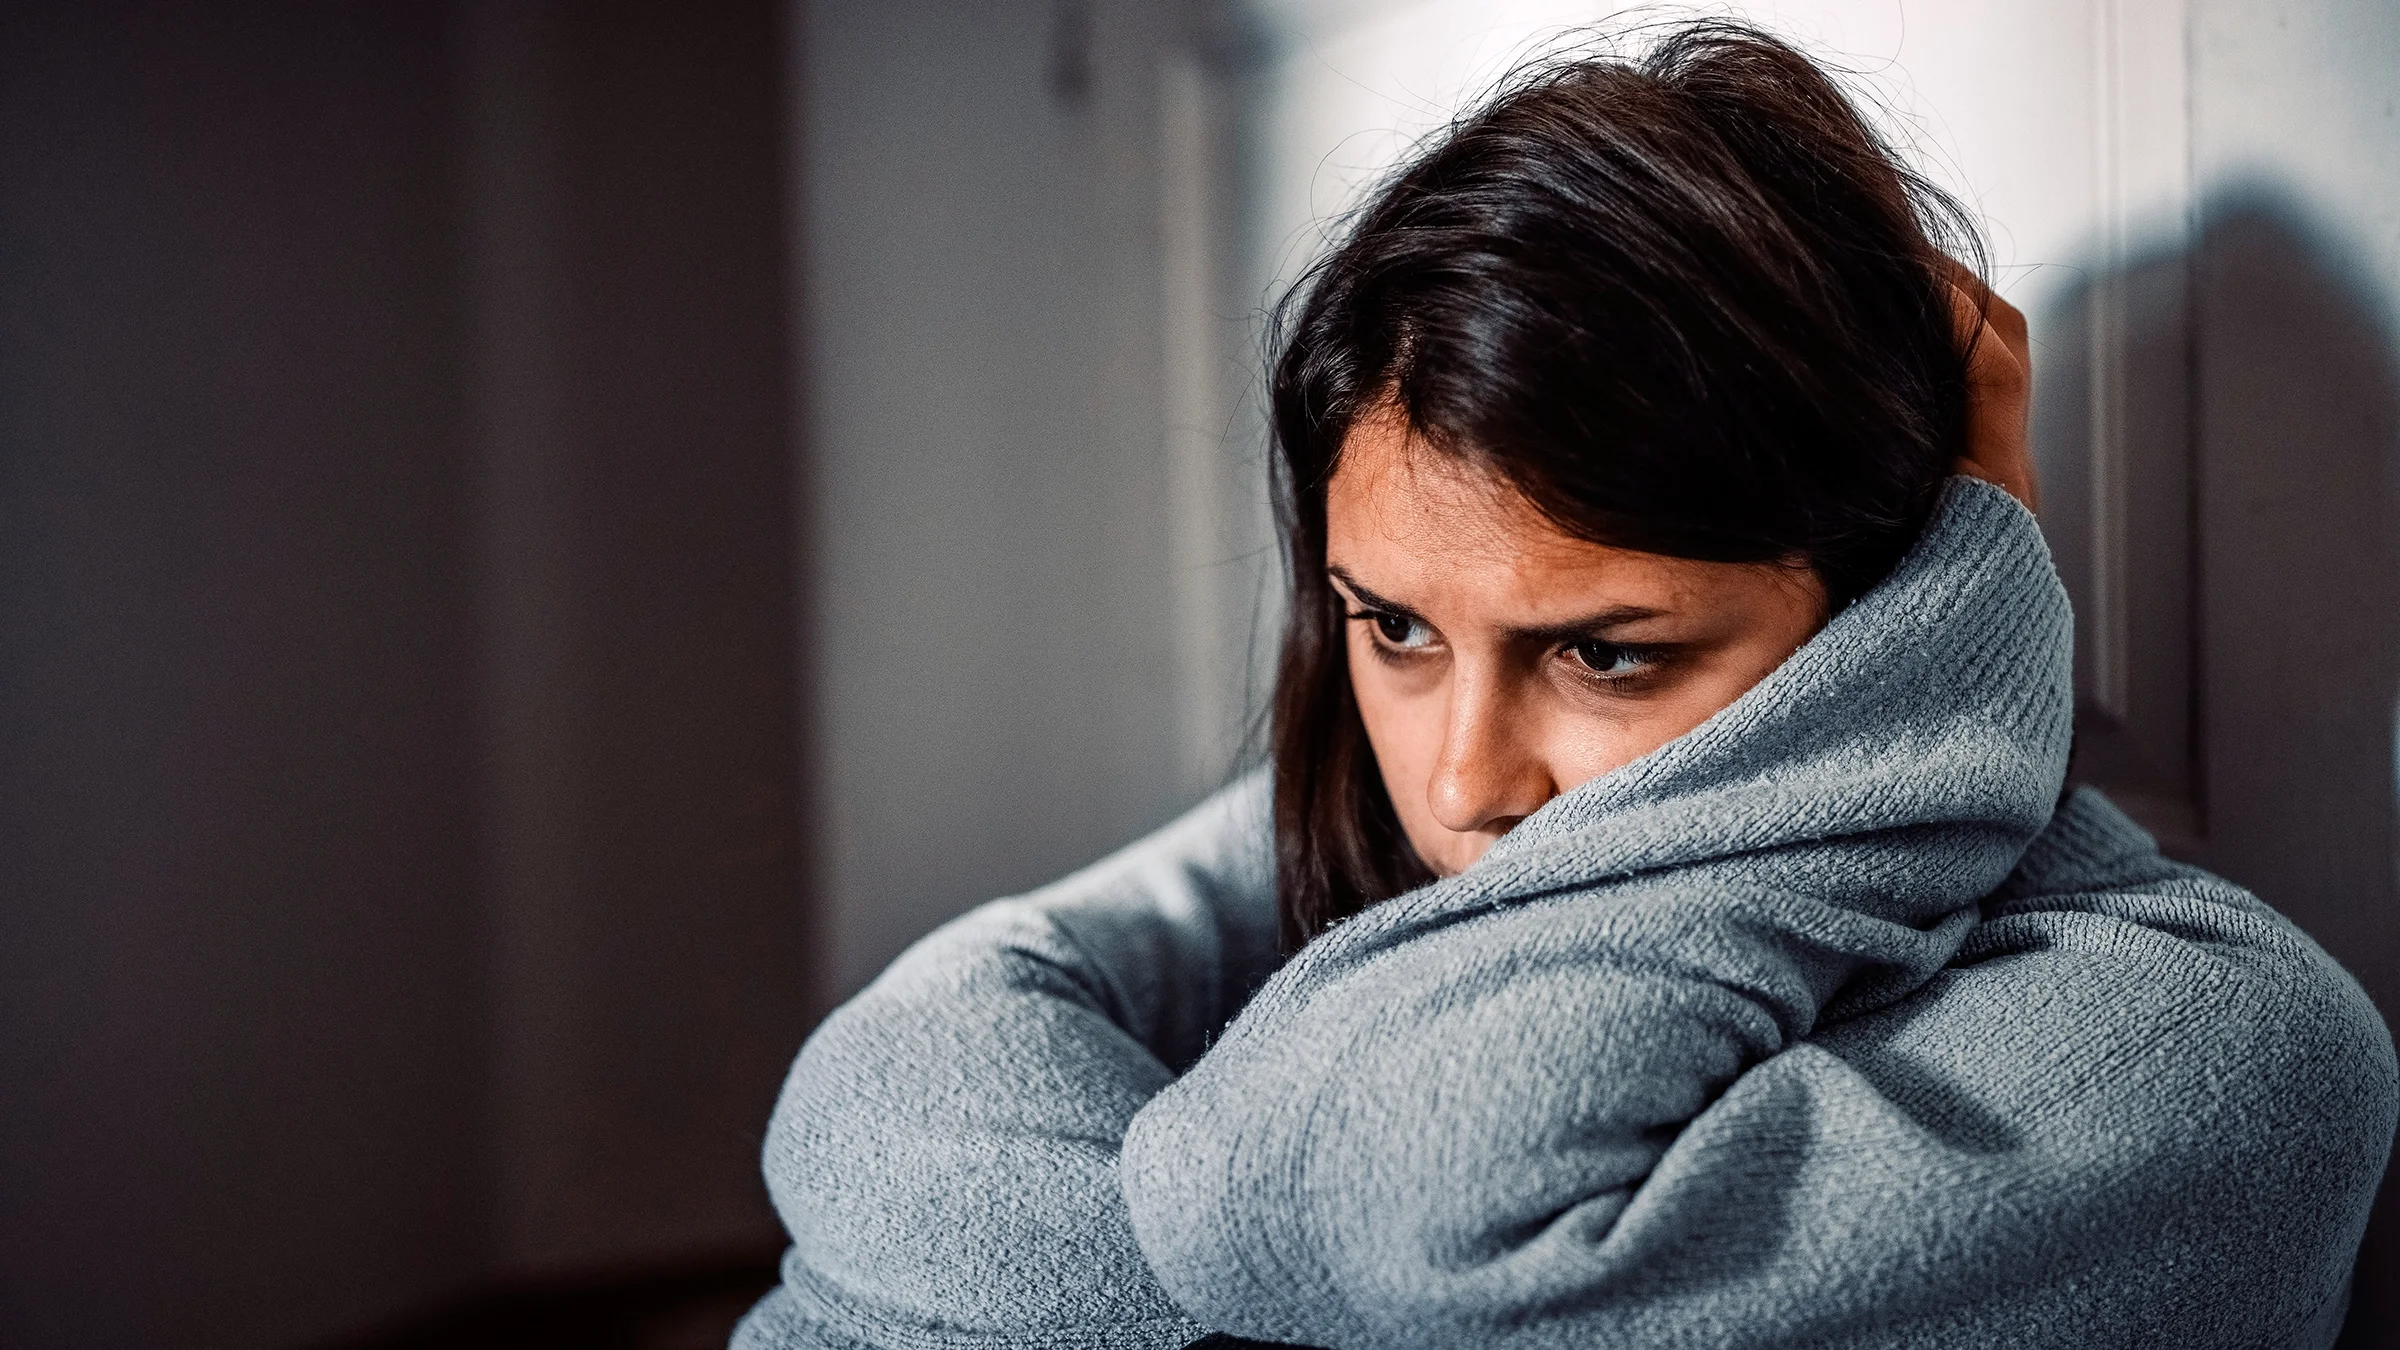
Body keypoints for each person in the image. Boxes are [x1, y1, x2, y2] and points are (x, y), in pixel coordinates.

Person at [734, 22, 2395, 1349]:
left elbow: (1399, 1214)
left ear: (1904, 614)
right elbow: (902, 1070)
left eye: (1606, 651)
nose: (1467, 784)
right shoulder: (1367, 827)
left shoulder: (2222, 1050)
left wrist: (1967, 599)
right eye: (1395, 630)